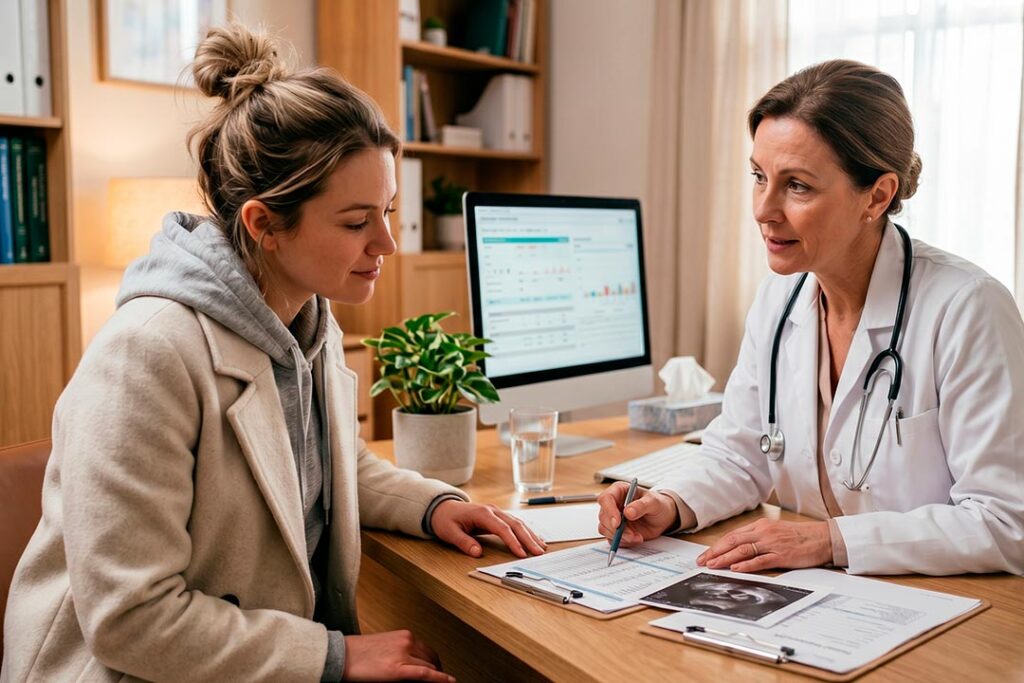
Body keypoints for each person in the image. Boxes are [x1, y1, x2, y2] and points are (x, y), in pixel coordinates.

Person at [1, 25, 546, 683]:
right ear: (264, 225)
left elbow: (326, 466)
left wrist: (434, 505)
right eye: (355, 221)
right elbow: (130, 618)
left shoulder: (305, 322)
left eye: (389, 210)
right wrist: (335, 657)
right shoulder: (145, 354)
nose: (386, 243)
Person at [598, 59, 1024, 577]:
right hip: (812, 599)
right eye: (759, 177)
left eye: (796, 185)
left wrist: (829, 541)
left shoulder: (967, 308)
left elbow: (1006, 520)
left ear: (878, 195)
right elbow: (740, 455)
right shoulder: (780, 299)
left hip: (944, 610)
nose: (763, 208)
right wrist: (668, 503)